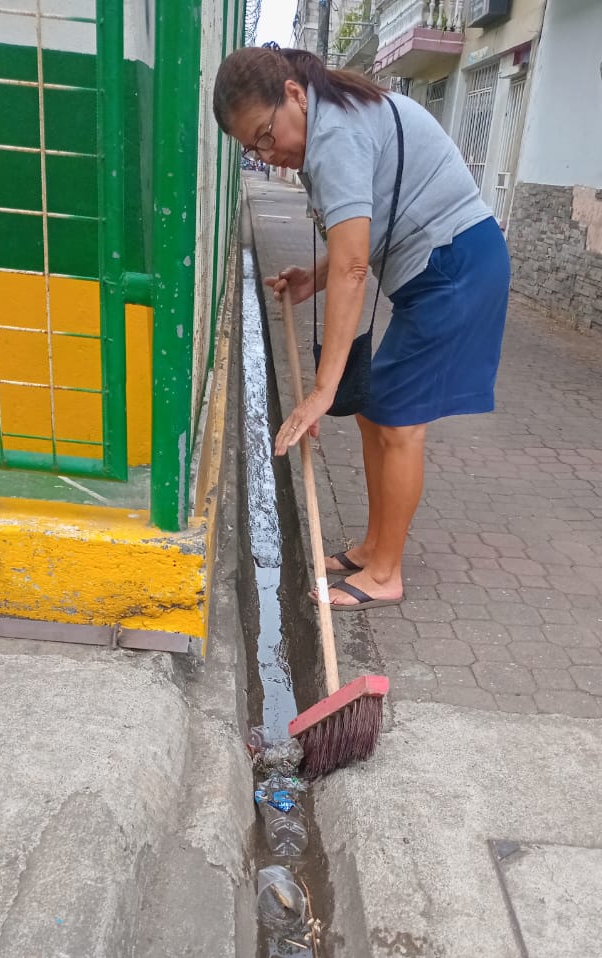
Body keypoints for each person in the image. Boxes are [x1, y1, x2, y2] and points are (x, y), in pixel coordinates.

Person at [213, 46, 510, 611]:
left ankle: (386, 573)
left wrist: (322, 391)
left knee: (398, 421)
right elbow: (356, 245)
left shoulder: (335, 136)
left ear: (294, 94)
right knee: (377, 409)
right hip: (445, 265)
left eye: (266, 135)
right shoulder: (333, 116)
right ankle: (375, 546)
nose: (269, 154)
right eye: (253, 148)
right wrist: (313, 279)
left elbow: (355, 268)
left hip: (458, 267)